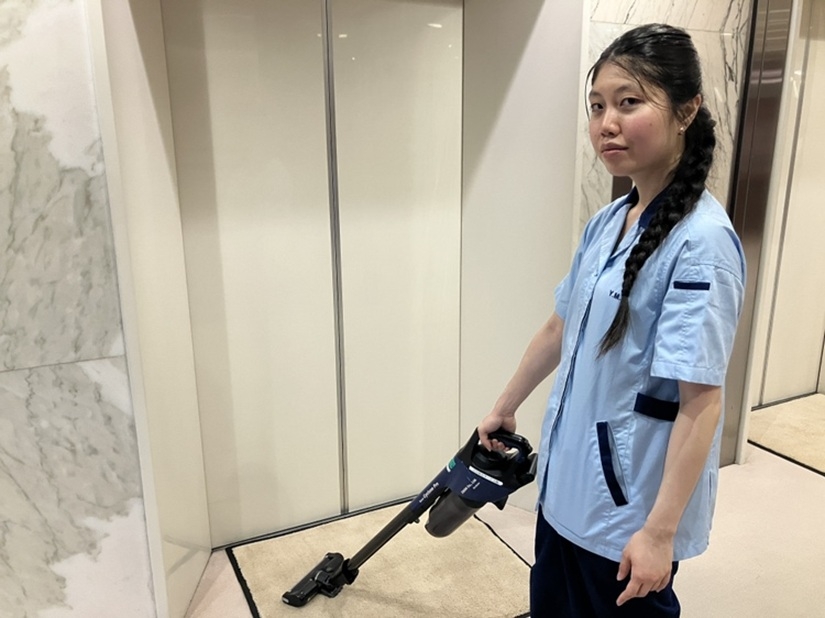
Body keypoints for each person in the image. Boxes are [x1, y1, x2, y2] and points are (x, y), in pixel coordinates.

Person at [477, 23, 746, 617]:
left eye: (629, 102)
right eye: (597, 106)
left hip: (629, 512)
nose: (607, 123)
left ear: (687, 110)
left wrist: (659, 534)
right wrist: (505, 404)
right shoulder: (609, 222)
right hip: (567, 489)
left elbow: (701, 399)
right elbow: (560, 326)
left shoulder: (701, 243)